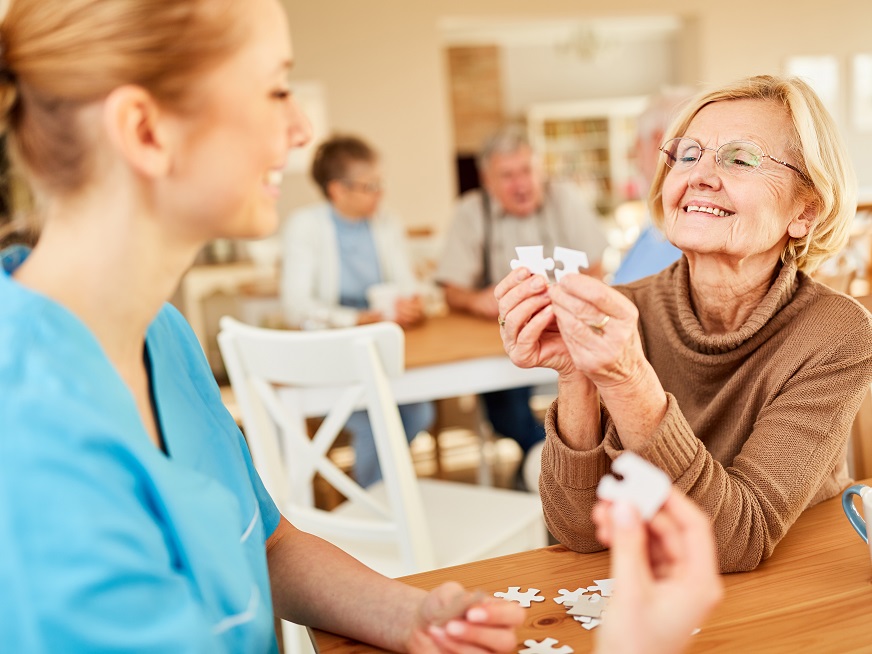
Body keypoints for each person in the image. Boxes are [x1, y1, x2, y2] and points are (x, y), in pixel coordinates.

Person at [0, 0, 520, 651]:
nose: (301, 129)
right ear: (146, 131)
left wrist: (408, 618)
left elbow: (265, 548)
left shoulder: (161, 334)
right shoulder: (31, 439)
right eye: (276, 90)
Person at [495, 74, 872, 573]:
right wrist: (576, 374)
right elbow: (580, 532)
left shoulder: (836, 332)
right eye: (688, 154)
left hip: (794, 582)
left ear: (805, 211)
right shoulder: (622, 312)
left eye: (740, 159)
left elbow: (738, 540)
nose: (700, 175)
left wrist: (627, 380)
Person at [434, 126, 609, 484]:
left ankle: (547, 469)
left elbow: (596, 267)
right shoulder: (471, 212)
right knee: (506, 412)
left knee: (599, 392)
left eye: (527, 171)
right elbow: (452, 290)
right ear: (487, 181)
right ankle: (552, 466)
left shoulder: (564, 199)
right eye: (507, 175)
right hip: (503, 338)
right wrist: (476, 299)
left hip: (569, 328)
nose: (521, 184)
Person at [280, 134, 434, 486]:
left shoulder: (386, 222)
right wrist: (355, 319)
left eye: (379, 183)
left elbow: (408, 282)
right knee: (373, 423)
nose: (379, 193)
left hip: (383, 346)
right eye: (369, 186)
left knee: (418, 413)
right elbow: (296, 307)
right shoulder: (306, 227)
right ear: (337, 190)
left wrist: (412, 301)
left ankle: (384, 499)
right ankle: (379, 499)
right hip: (331, 351)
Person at [611, 90, 688, 285]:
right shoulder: (658, 221)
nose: (635, 160)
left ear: (660, 145)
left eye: (637, 147)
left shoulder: (681, 229)